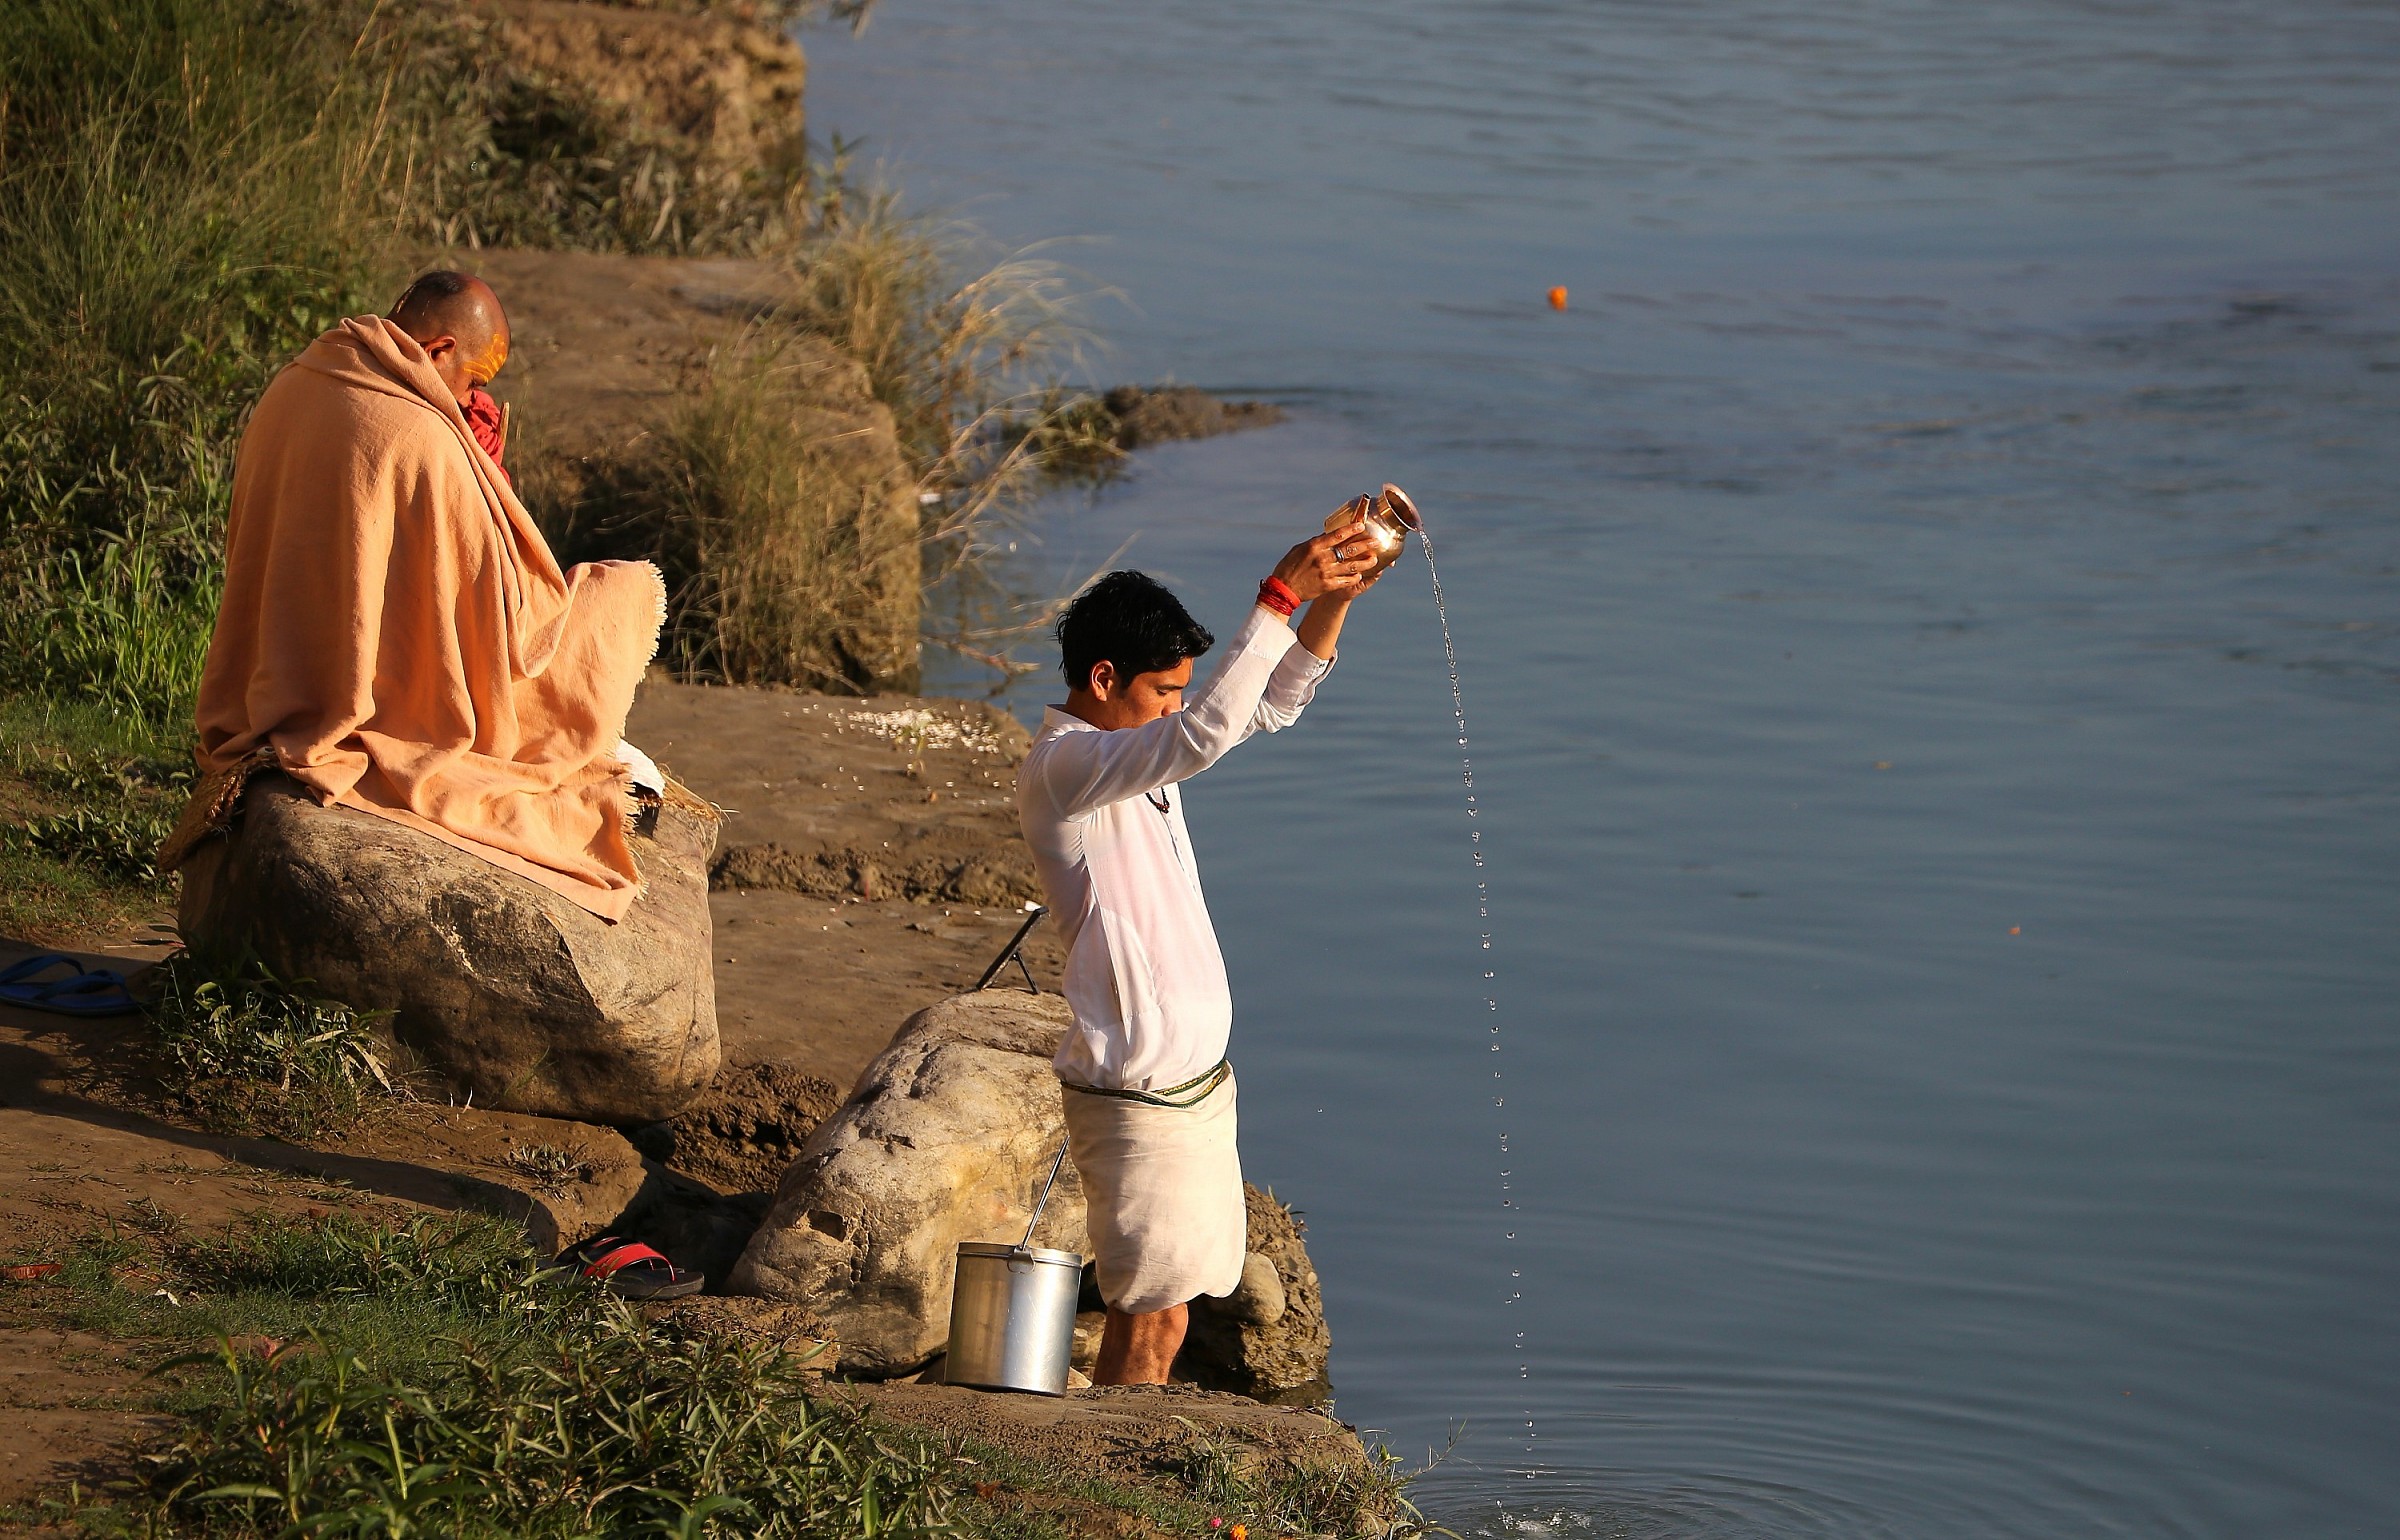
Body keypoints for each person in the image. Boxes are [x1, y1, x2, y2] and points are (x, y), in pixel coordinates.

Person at [168, 272, 668, 920]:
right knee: (613, 597)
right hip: (380, 706)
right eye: (475, 379)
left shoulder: (296, 379)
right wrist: (480, 470)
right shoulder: (424, 439)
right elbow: (505, 614)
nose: (472, 397)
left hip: (267, 685)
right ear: (437, 351)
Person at [1016, 525, 1383, 1385]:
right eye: (1163, 690)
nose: (1177, 707)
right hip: (1140, 1098)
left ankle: (1104, 1481)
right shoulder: (1064, 766)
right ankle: (1100, 1495)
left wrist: (1328, 605)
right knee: (1152, 1325)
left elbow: (1266, 704)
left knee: (1166, 1319)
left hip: (1194, 1094)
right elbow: (1207, 731)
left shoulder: (1135, 754)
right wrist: (1279, 595)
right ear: (1103, 680)